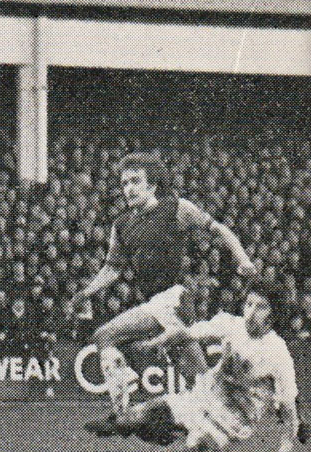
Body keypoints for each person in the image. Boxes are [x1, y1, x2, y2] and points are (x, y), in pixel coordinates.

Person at [66, 152, 256, 413]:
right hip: (158, 305)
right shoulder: (121, 225)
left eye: (135, 181)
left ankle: (123, 400)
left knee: (104, 335)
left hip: (173, 300)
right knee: (201, 386)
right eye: (124, 184)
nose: (129, 189)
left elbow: (219, 229)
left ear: (152, 184)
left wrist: (242, 258)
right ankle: (229, 416)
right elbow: (112, 267)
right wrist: (87, 291)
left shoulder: (176, 208)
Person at [85, 282, 306, 452]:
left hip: (227, 425)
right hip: (198, 401)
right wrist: (154, 343)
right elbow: (187, 333)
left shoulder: (278, 354)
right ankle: (168, 430)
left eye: (260, 307)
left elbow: (290, 417)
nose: (251, 312)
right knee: (129, 420)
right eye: (249, 304)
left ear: (273, 314)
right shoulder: (231, 324)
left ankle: (188, 444)